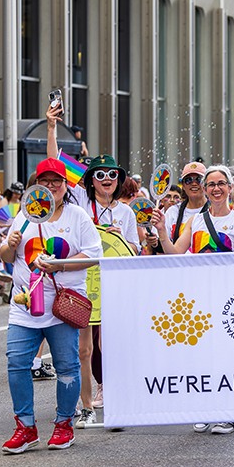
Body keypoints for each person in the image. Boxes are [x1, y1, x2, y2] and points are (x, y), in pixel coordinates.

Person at [0, 157, 102, 454]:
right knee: (17, 363)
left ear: (65, 185)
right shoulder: (23, 215)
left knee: (67, 366)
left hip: (61, 305)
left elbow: (94, 255)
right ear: (36, 185)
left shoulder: (77, 216)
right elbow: (7, 257)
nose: (51, 186)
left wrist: (61, 266)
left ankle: (63, 425)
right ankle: (26, 428)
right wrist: (11, 244)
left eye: (56, 181)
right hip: (24, 303)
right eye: (44, 181)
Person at [46, 104, 139, 426]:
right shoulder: (80, 203)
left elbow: (135, 251)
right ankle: (84, 401)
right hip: (83, 280)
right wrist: (51, 128)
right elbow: (54, 167)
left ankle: (110, 388)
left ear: (119, 180)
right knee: (84, 347)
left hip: (112, 281)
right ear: (90, 181)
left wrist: (120, 239)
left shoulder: (126, 213)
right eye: (100, 175)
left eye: (113, 174)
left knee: (109, 341)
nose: (107, 179)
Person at [152, 165, 234, 435]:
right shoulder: (195, 221)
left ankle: (229, 413)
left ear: (231, 188)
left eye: (221, 183)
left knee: (228, 357)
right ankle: (204, 409)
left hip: (229, 299)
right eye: (211, 184)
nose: (216, 188)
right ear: (206, 190)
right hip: (200, 298)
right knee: (201, 356)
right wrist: (163, 230)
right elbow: (175, 253)